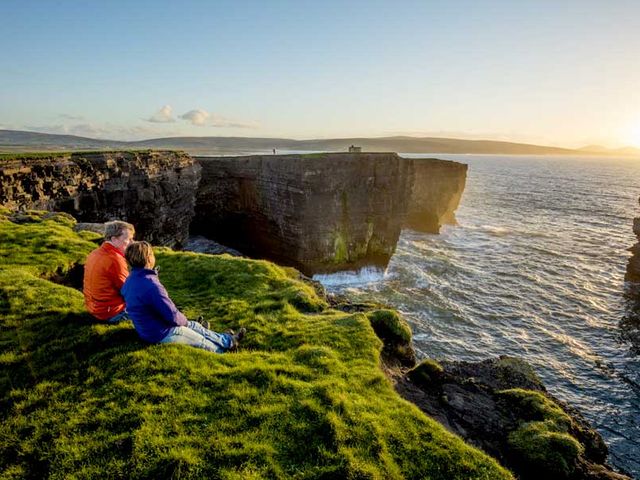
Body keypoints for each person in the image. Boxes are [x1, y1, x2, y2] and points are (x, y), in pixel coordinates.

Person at [121, 241, 245, 353]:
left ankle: (228, 341)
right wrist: (183, 322)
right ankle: (224, 352)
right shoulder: (151, 285)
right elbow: (172, 316)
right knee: (202, 341)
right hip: (161, 332)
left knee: (195, 326)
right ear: (148, 259)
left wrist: (186, 323)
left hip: (147, 329)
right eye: (152, 254)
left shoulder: (130, 280)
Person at [83, 220, 135, 323]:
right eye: (128, 239)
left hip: (94, 308)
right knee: (153, 314)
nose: (132, 243)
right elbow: (128, 291)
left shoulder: (95, 253)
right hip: (110, 312)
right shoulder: (115, 260)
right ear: (114, 239)